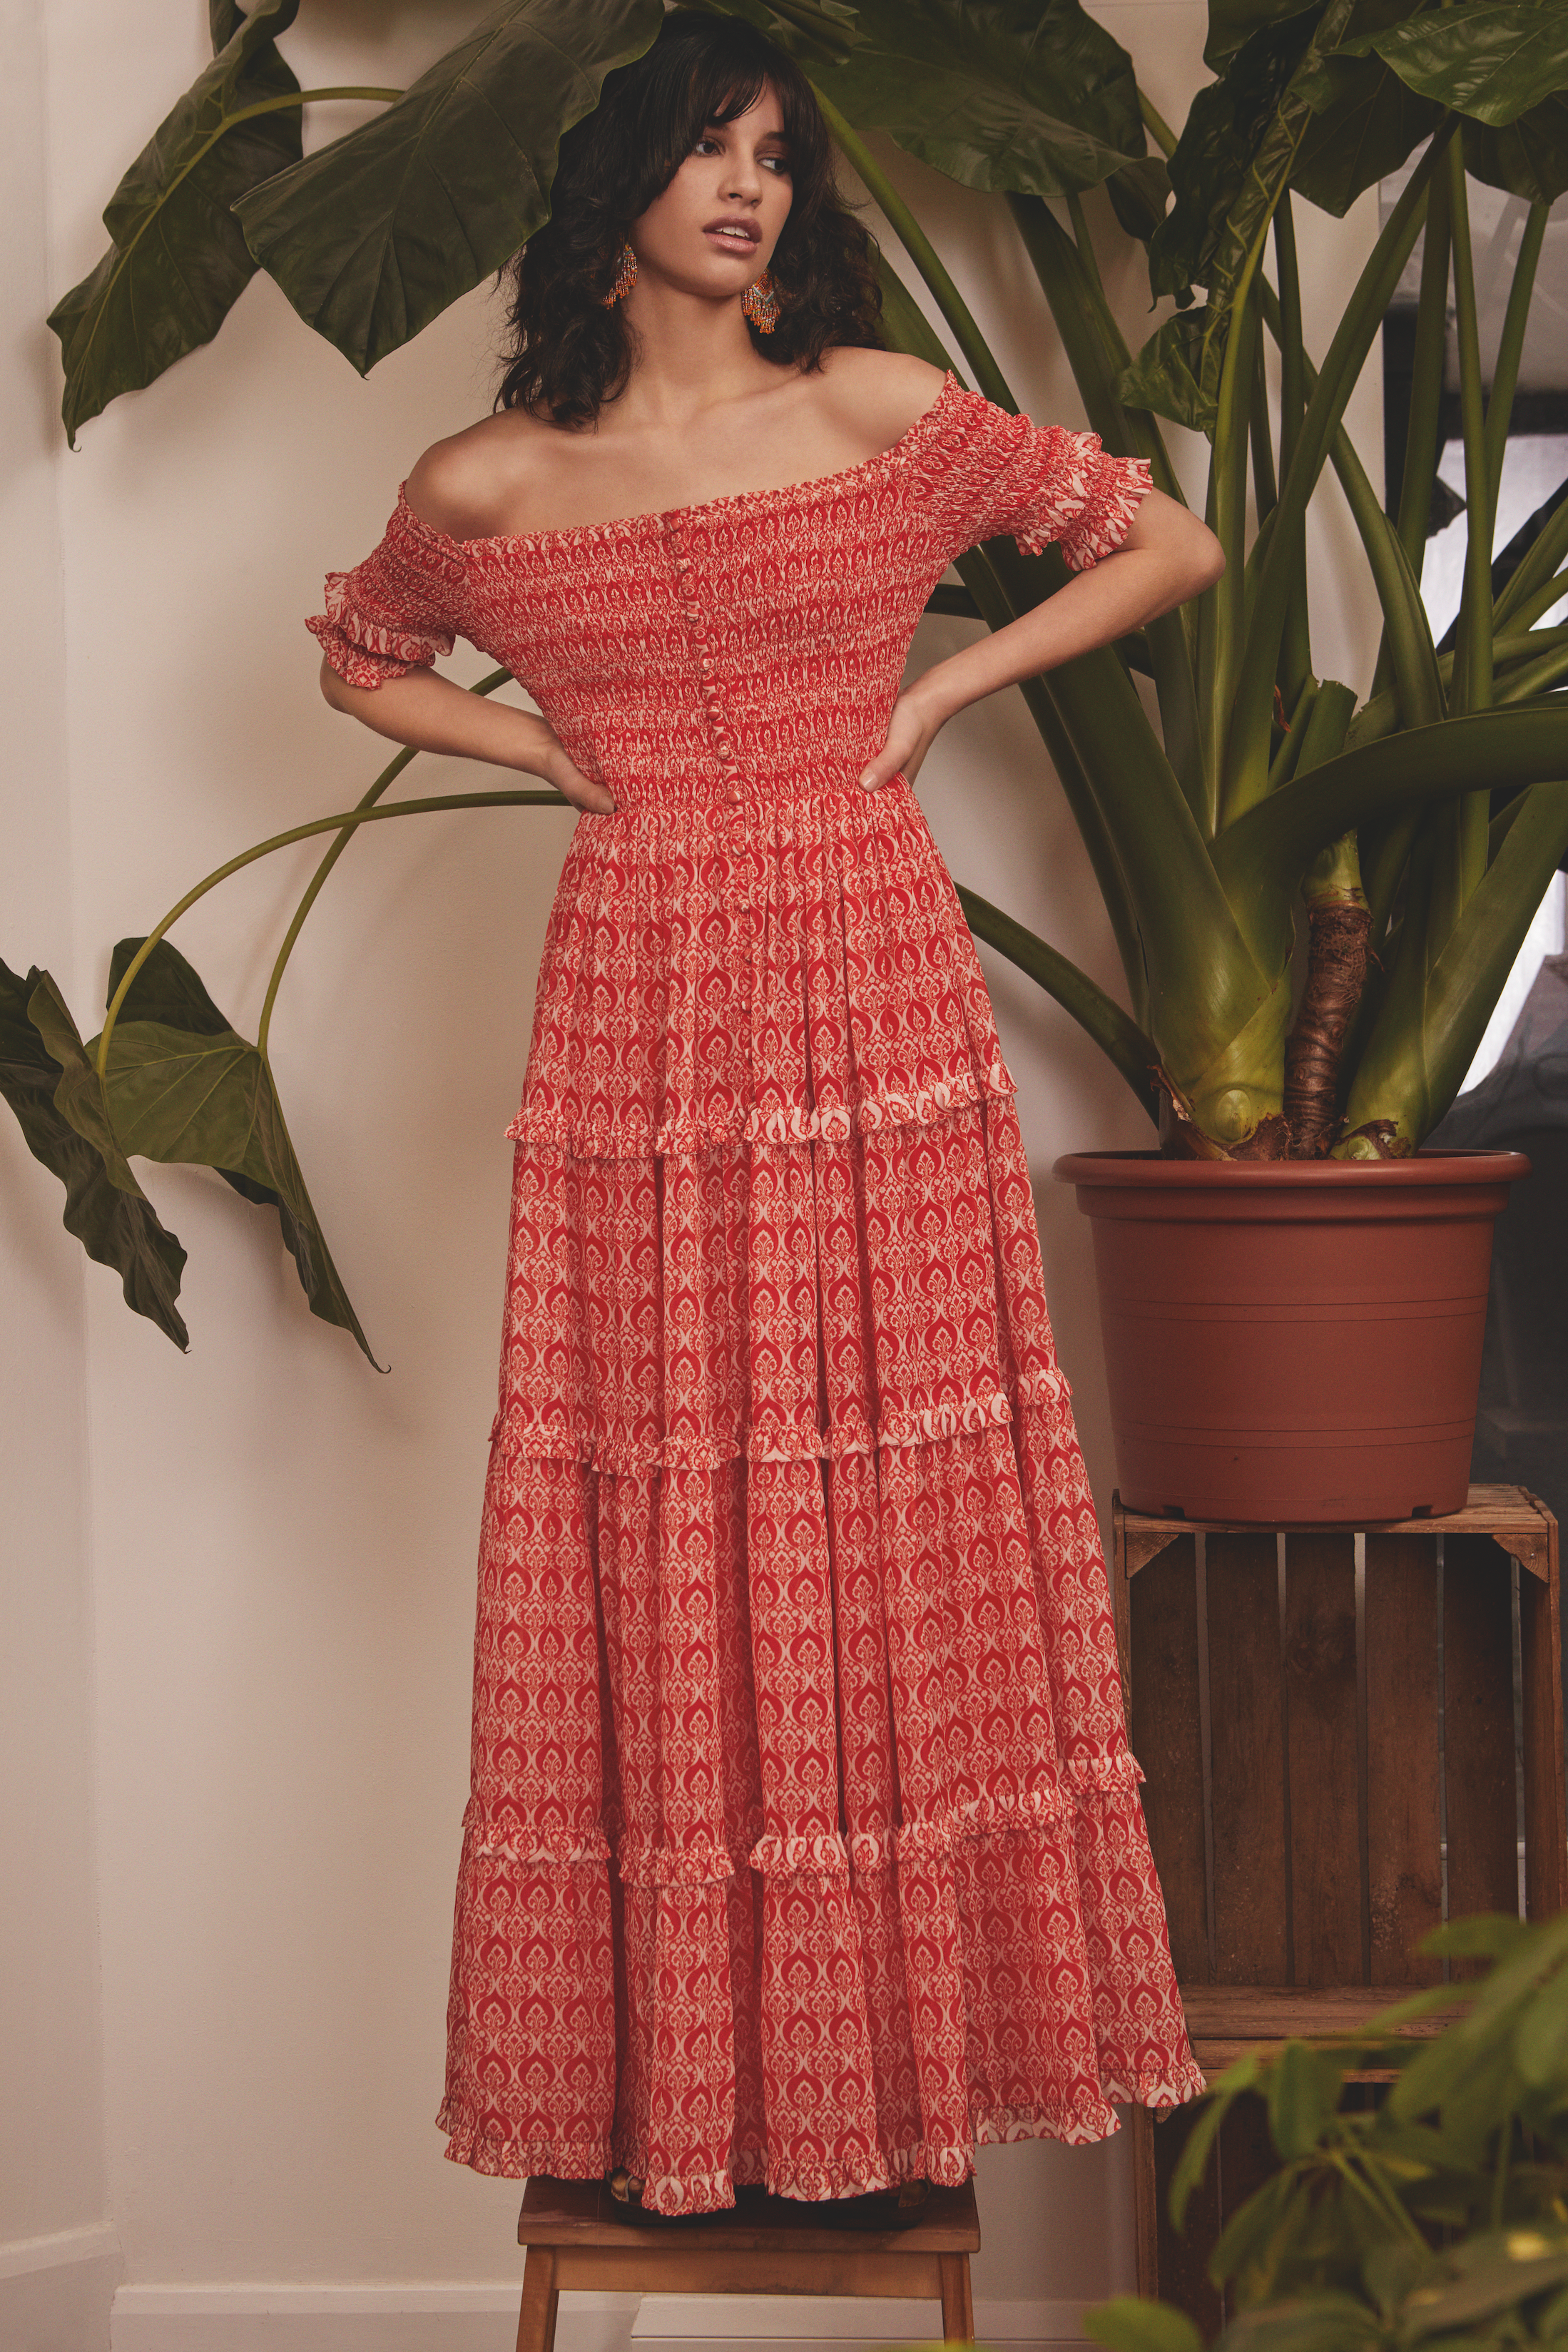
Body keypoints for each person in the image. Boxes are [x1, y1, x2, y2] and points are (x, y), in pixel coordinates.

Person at [309, 11, 1221, 2221]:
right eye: (706, 149)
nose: (751, 186)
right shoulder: (485, 484)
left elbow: (1162, 543)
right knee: (664, 1485)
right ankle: (690, 2088)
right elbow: (354, 647)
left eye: (777, 155)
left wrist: (944, 685)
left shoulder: (882, 412)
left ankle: (889, 2074)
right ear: (608, 187)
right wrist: (540, 755)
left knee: (890, 1480)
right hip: (632, 1003)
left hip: (869, 976)